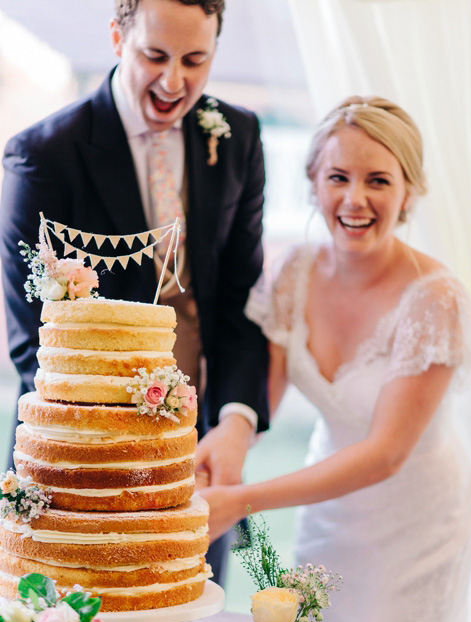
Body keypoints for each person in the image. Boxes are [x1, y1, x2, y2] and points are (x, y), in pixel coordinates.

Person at [200, 96, 471, 622]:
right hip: (329, 510)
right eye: (338, 178)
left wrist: (242, 501)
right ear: (314, 185)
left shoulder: (436, 300)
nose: (355, 199)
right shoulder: (293, 272)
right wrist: (222, 451)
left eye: (378, 180)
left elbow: (384, 454)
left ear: (409, 191)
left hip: (416, 517)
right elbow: (261, 400)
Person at [0, 0, 269, 585]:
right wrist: (119, 449)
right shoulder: (43, 156)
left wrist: (235, 422)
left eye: (195, 59)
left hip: (193, 450)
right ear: (118, 40)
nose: (175, 81)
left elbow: (242, 302)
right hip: (82, 459)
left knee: (183, 613)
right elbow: (32, 341)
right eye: (156, 56)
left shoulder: (239, 136)